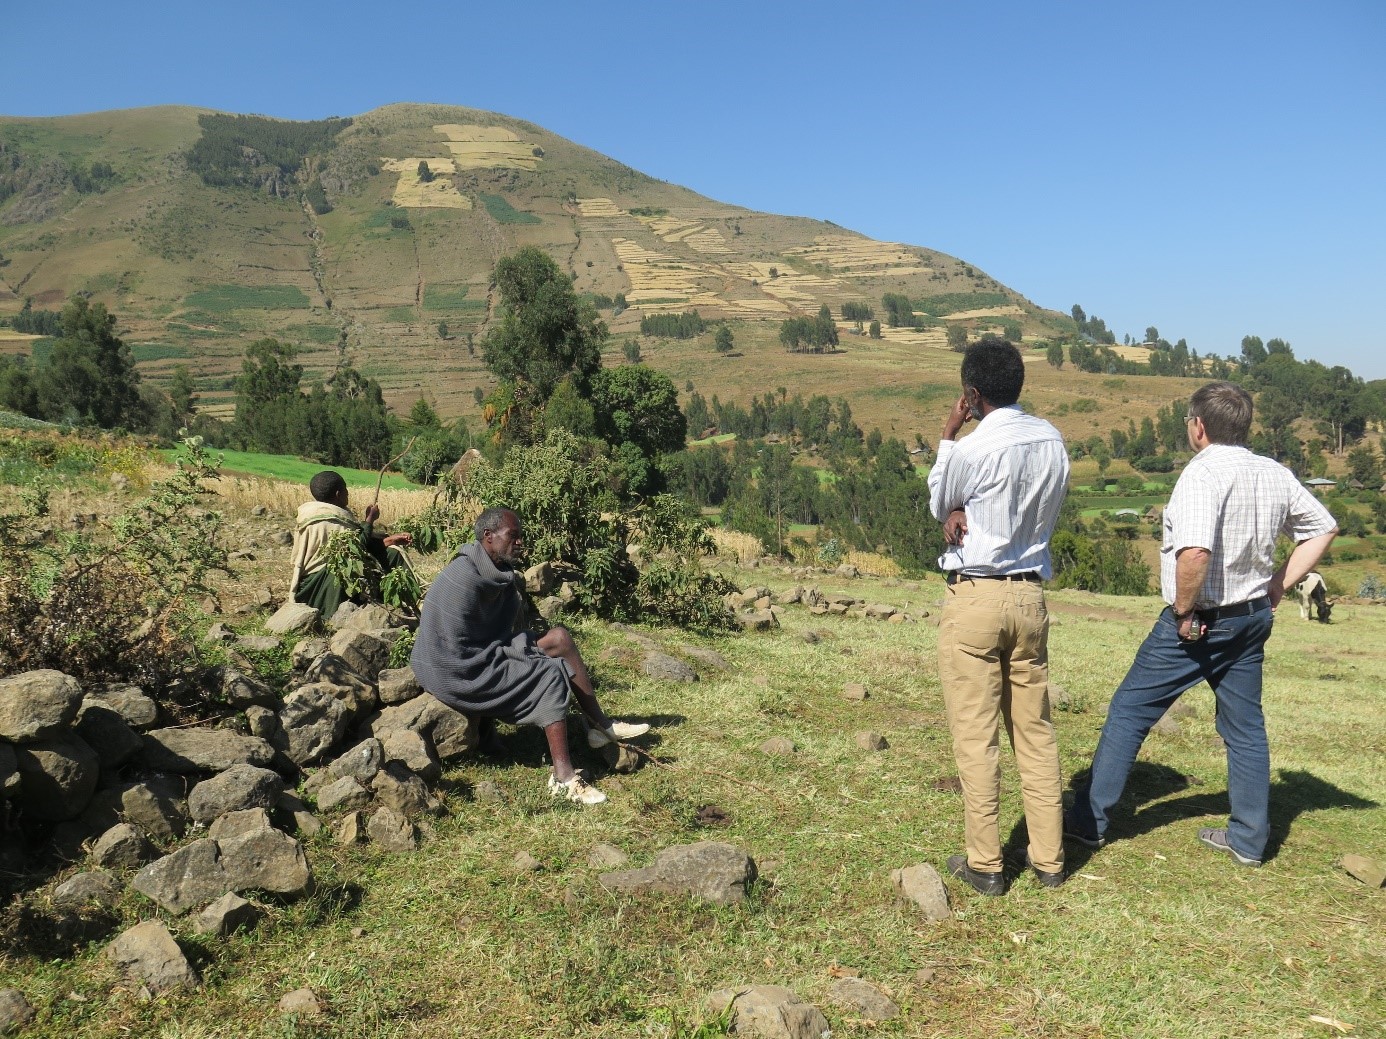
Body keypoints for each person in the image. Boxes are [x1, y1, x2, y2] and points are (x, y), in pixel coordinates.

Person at [1066, 382, 1337, 867]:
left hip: (1202, 621)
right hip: (1252, 617)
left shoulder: (1201, 474)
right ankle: (1250, 840)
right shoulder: (1273, 472)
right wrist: (1277, 584)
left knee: (1130, 711)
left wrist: (1185, 614)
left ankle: (1089, 823)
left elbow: (1194, 552)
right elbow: (1323, 526)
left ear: (1198, 426)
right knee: (1245, 727)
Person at [927, 339, 1070, 895]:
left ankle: (986, 864)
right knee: (1034, 730)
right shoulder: (1053, 441)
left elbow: (941, 502)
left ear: (971, 393)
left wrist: (947, 433)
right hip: (1030, 597)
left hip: (977, 599)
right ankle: (1050, 858)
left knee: (976, 735)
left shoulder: (971, 447)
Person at [409, 506, 648, 805]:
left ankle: (601, 726)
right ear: (488, 536)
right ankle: (563, 778)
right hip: (455, 670)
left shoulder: (499, 573)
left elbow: (492, 635)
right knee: (548, 672)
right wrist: (521, 656)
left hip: (481, 653)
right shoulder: (464, 578)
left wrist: (515, 649)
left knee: (559, 639)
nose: (520, 542)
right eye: (513, 536)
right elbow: (453, 650)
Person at [288, 471, 413, 618]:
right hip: (322, 584)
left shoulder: (313, 512)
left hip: (321, 579)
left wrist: (390, 540)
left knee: (393, 553)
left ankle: (405, 602)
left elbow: (359, 543)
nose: (348, 493)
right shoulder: (329, 519)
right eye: (346, 490)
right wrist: (369, 519)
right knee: (349, 567)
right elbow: (356, 549)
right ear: (338, 494)